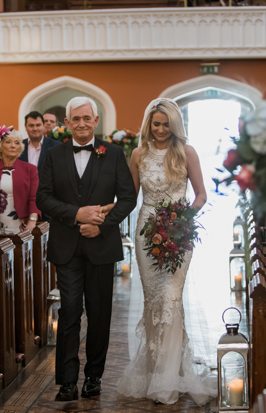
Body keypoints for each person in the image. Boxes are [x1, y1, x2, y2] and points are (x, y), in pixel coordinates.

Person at [36, 97, 136, 402]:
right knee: (69, 312)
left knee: (99, 312)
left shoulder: (114, 153)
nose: (81, 123)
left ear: (95, 121)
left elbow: (128, 199)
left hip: (101, 246)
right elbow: (43, 197)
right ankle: (67, 381)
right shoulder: (53, 155)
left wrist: (101, 224)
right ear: (67, 123)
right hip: (66, 245)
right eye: (75, 119)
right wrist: (75, 214)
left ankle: (94, 377)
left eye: (87, 118)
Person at [117, 98, 211, 406]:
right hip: (146, 231)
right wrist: (106, 210)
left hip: (178, 234)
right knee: (153, 301)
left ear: (175, 125)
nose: (160, 129)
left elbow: (200, 196)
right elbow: (130, 198)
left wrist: (180, 220)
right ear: (149, 124)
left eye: (165, 124)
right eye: (155, 124)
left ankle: (167, 380)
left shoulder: (187, 152)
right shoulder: (138, 154)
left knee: (171, 297)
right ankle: (158, 369)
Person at [0, 127, 40, 235]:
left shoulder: (30, 169)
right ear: (0, 146)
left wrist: (32, 220)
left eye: (17, 143)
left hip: (21, 226)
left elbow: (34, 198)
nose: (13, 146)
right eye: (8, 142)